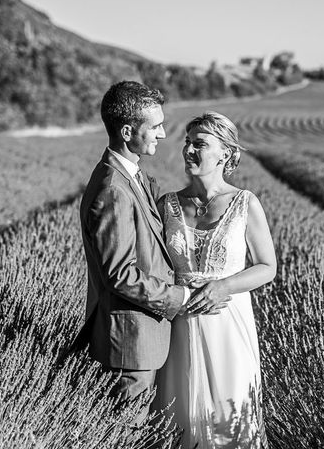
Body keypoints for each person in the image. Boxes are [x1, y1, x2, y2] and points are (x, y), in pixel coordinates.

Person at [153, 111, 277, 448]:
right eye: (188, 143)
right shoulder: (168, 205)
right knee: (178, 415)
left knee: (229, 416)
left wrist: (224, 285)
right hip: (179, 324)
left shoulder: (244, 203)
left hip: (227, 322)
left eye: (200, 144)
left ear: (225, 153)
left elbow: (267, 266)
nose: (190, 150)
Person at [72, 81, 192, 421]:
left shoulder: (130, 177)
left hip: (142, 339)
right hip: (130, 344)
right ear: (127, 131)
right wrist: (176, 297)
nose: (163, 133)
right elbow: (120, 275)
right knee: (125, 433)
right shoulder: (113, 189)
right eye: (154, 126)